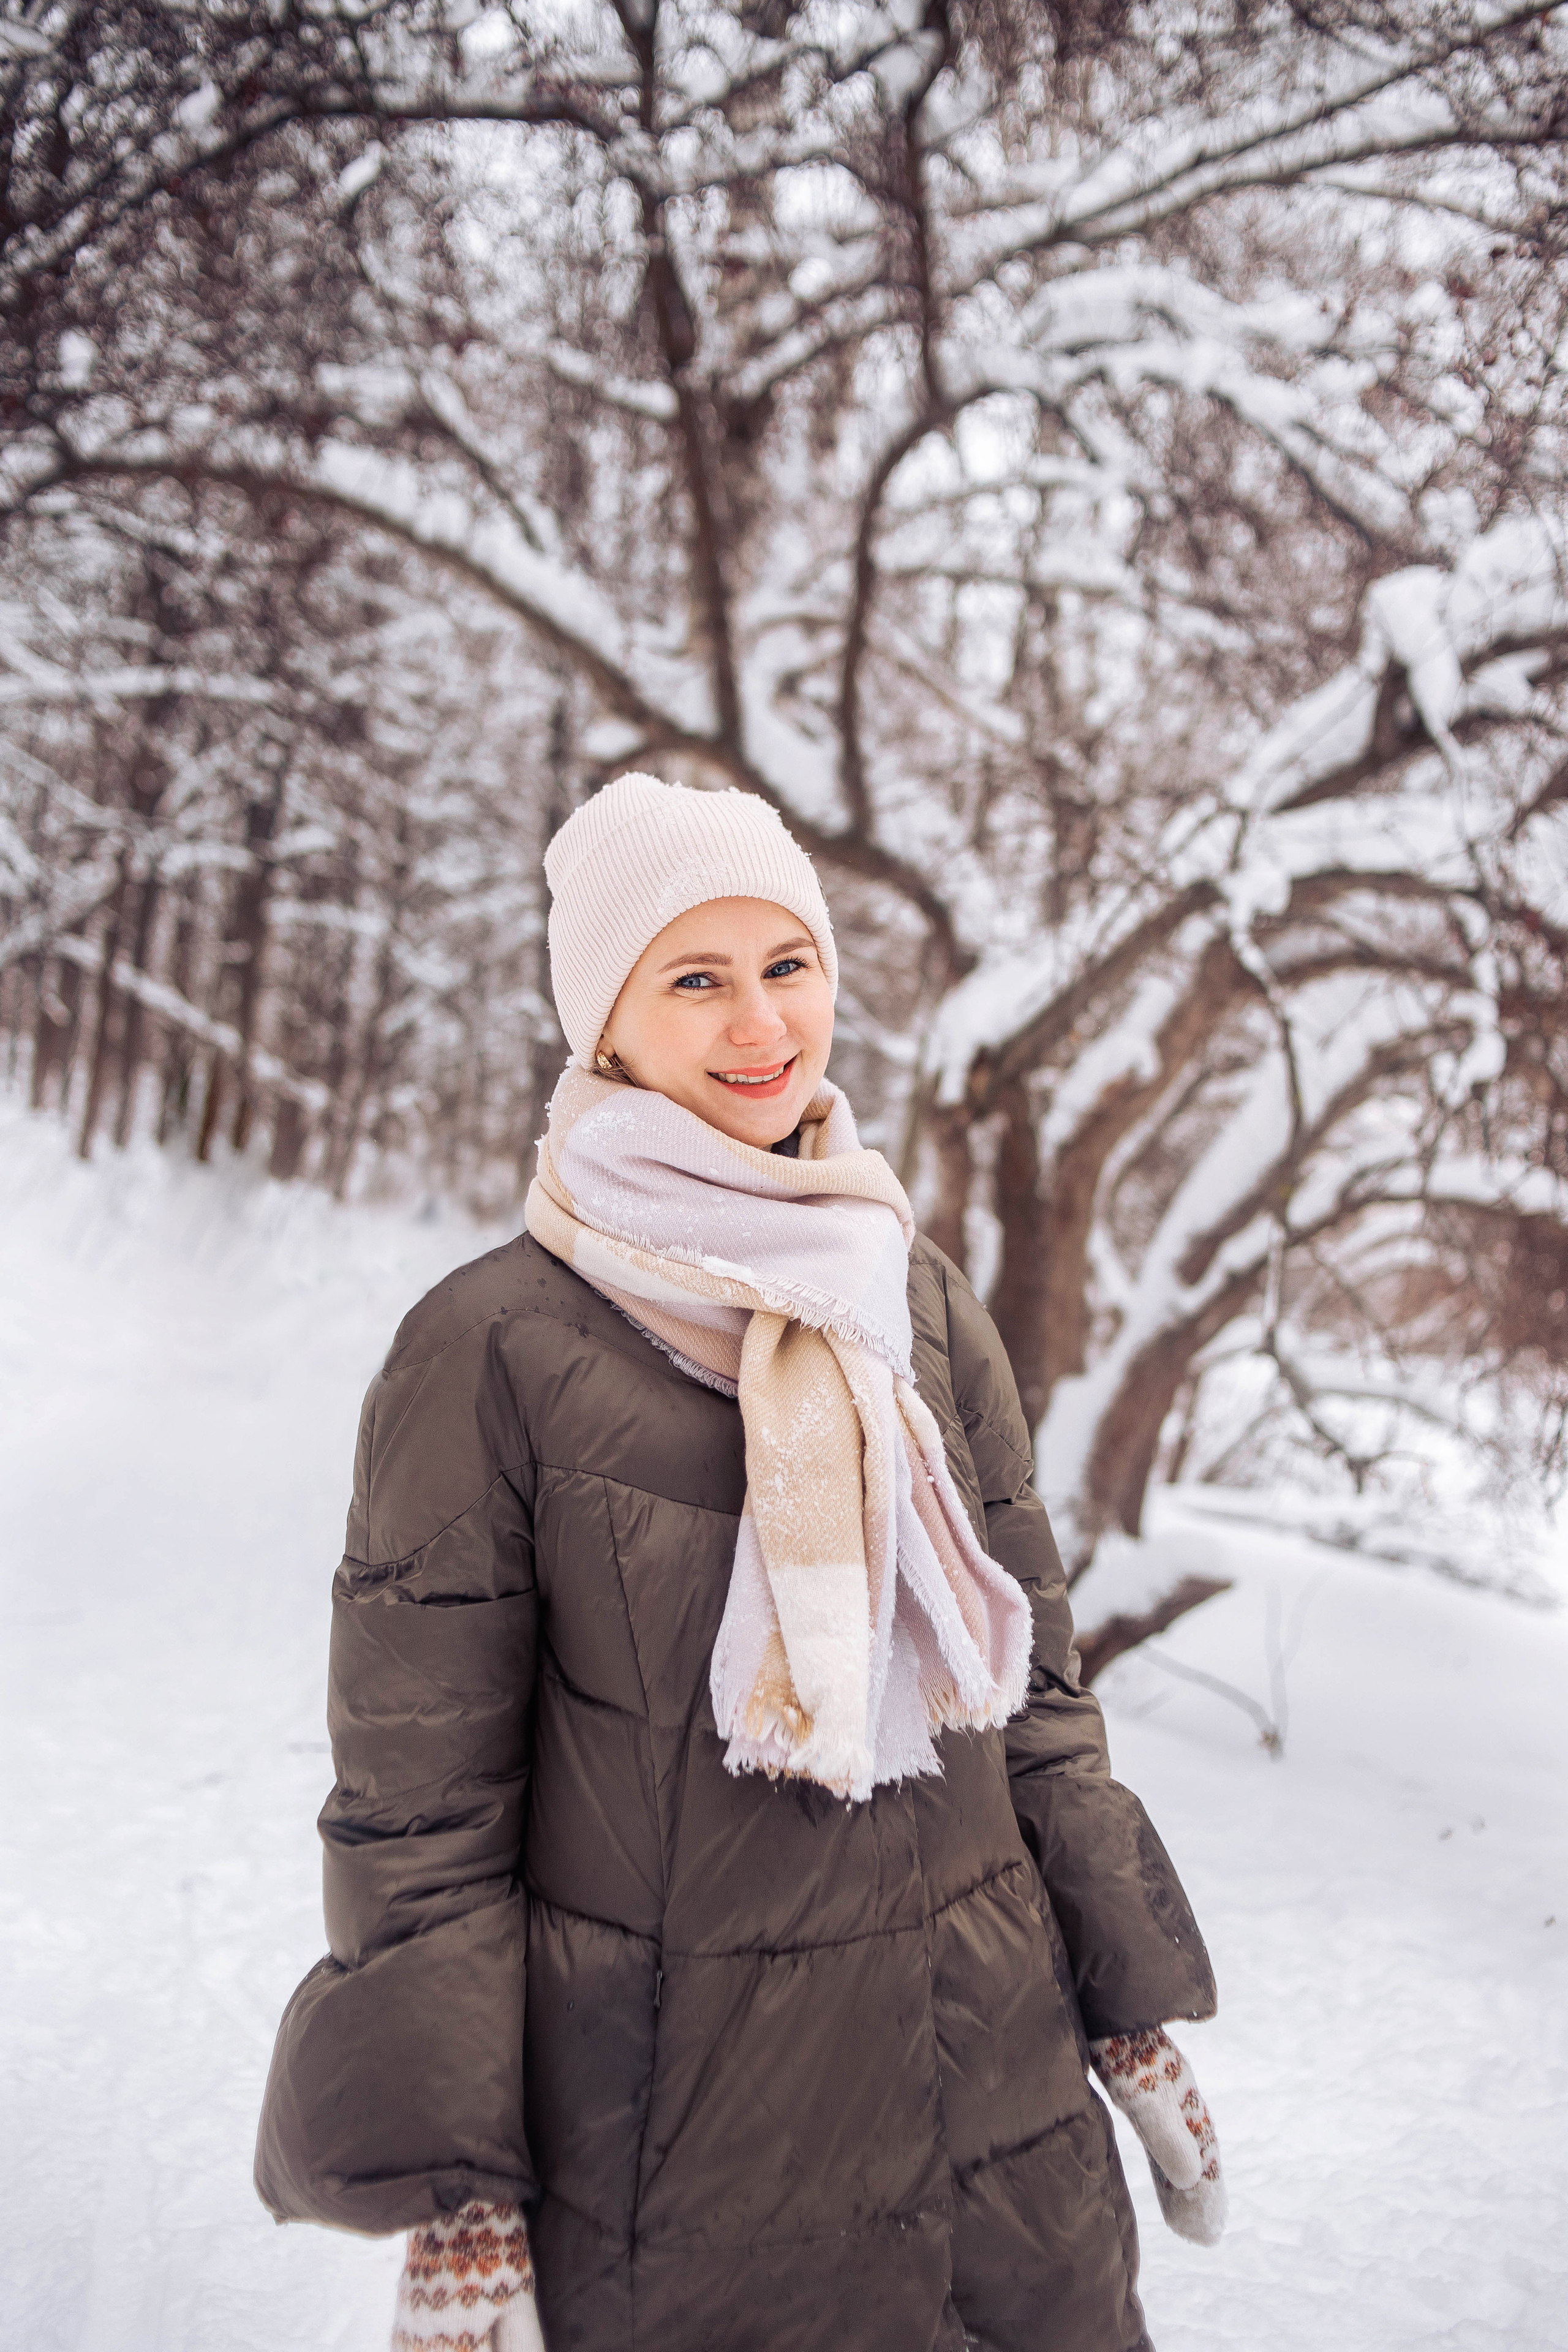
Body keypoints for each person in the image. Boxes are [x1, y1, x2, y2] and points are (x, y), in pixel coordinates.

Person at [255, 772, 1225, 2352]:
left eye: (789, 964)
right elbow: (423, 1804)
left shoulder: (910, 1298)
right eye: (694, 979)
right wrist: (462, 2191)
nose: (761, 1021)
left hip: (994, 2101)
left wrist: (1121, 1998)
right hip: (683, 2153)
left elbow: (1032, 1684)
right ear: (607, 1026)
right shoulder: (490, 1349)